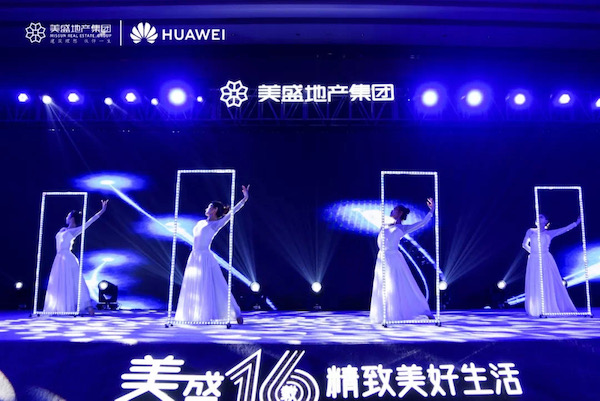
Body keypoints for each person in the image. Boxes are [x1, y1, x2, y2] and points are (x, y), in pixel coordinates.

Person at [175, 185, 249, 324]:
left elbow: (232, 213)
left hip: (205, 257)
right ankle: (197, 314)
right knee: (195, 285)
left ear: (214, 210)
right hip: (194, 257)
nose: (206, 208)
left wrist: (244, 198)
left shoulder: (216, 224)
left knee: (217, 285)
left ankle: (235, 312)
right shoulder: (200, 222)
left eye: (209, 207)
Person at [370, 198, 435, 323]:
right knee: (383, 285)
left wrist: (432, 210)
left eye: (394, 210)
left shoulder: (403, 228)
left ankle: (422, 310)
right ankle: (385, 313)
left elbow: (422, 223)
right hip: (382, 257)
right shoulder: (384, 225)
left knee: (400, 284)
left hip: (393, 258)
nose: (391, 211)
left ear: (400, 213)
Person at [43, 200, 108, 315]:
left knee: (74, 282)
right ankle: (60, 306)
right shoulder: (63, 230)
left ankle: (88, 307)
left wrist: (102, 210)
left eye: (68, 216)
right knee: (60, 282)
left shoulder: (74, 231)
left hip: (67, 258)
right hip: (59, 259)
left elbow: (90, 222)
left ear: (72, 218)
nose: (66, 217)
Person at [522, 213, 579, 316]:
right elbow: (524, 244)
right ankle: (536, 307)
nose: (539, 217)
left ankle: (547, 306)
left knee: (546, 280)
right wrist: (534, 253)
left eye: (541, 217)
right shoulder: (530, 231)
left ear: (546, 221)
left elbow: (564, 229)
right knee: (535, 280)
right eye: (538, 216)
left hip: (545, 258)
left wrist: (576, 223)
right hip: (534, 259)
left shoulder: (549, 233)